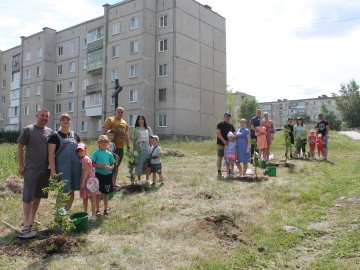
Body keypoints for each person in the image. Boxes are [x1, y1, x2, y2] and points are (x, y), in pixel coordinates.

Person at [17, 108, 52, 238]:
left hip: (44, 169)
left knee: (38, 195)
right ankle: (26, 224)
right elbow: (20, 146)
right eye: (42, 115)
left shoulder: (49, 132)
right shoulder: (28, 129)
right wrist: (21, 165)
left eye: (46, 116)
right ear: (37, 115)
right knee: (28, 196)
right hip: (31, 168)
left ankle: (32, 219)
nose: (44, 118)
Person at [48, 113, 81, 211]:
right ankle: (59, 217)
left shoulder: (75, 135)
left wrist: (89, 162)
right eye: (63, 119)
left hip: (75, 167)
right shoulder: (54, 136)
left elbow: (82, 150)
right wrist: (53, 170)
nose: (65, 121)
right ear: (60, 122)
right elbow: (50, 155)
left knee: (72, 191)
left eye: (68, 119)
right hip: (62, 168)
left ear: (70, 121)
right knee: (63, 191)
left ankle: (66, 214)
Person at [102, 107, 130, 187]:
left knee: (116, 165)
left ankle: (113, 183)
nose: (120, 113)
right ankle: (107, 183)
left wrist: (128, 145)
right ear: (115, 112)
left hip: (120, 147)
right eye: (118, 112)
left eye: (121, 112)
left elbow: (126, 135)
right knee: (110, 164)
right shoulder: (110, 119)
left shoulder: (124, 122)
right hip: (110, 147)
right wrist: (102, 142)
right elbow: (104, 130)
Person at [92, 135, 115, 215]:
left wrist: (110, 168)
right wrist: (100, 166)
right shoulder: (96, 153)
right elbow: (92, 164)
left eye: (105, 142)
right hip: (98, 175)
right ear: (99, 143)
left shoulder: (109, 154)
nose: (103, 143)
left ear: (108, 143)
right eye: (101, 142)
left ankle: (105, 209)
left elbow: (112, 164)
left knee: (106, 193)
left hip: (108, 175)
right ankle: (97, 209)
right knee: (97, 193)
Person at [77, 142, 100, 222]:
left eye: (81, 150)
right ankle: (85, 213)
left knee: (91, 197)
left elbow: (86, 172)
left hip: (89, 182)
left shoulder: (85, 159)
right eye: (78, 151)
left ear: (85, 150)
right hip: (87, 180)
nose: (80, 152)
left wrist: (83, 183)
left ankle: (94, 214)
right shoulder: (83, 159)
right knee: (85, 198)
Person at [133, 115, 153, 185]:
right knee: (139, 163)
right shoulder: (136, 129)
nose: (141, 120)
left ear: (144, 120)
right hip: (139, 147)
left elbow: (151, 139)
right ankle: (139, 180)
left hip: (147, 147)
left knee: (148, 163)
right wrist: (134, 151)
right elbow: (134, 141)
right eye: (139, 119)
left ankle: (147, 179)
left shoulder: (148, 128)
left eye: (142, 119)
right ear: (137, 121)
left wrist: (151, 149)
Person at [216, 113, 235, 177]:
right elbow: (218, 133)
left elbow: (233, 135)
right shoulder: (220, 124)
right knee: (220, 157)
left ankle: (229, 172)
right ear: (224, 117)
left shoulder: (231, 126)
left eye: (229, 117)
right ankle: (219, 172)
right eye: (226, 117)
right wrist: (223, 140)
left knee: (229, 159)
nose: (228, 118)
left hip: (229, 146)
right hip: (221, 144)